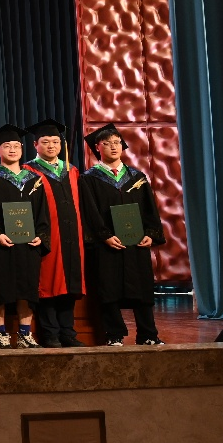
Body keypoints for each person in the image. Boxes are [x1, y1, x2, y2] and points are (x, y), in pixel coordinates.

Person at [79, 123, 166, 346]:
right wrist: (104, 235)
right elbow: (90, 211)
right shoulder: (89, 178)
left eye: (117, 142)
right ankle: (114, 334)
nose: (113, 147)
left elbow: (150, 209)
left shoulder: (137, 177)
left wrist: (150, 233)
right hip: (107, 244)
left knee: (142, 289)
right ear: (98, 147)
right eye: (107, 143)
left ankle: (148, 334)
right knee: (109, 289)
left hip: (136, 242)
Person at [0, 124, 48, 349]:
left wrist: (41, 235)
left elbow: (42, 212)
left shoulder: (34, 179)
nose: (13, 149)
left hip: (27, 244)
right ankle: (1, 334)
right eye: (7, 146)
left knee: (27, 290)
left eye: (17, 145)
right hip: (0, 245)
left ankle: (25, 334)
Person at [23, 119, 86, 348]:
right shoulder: (28, 171)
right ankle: (50, 333)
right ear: (35, 145)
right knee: (48, 283)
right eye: (46, 141)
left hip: (72, 235)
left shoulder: (72, 170)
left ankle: (68, 332)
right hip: (47, 235)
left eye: (55, 142)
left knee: (69, 283)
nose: (51, 146)